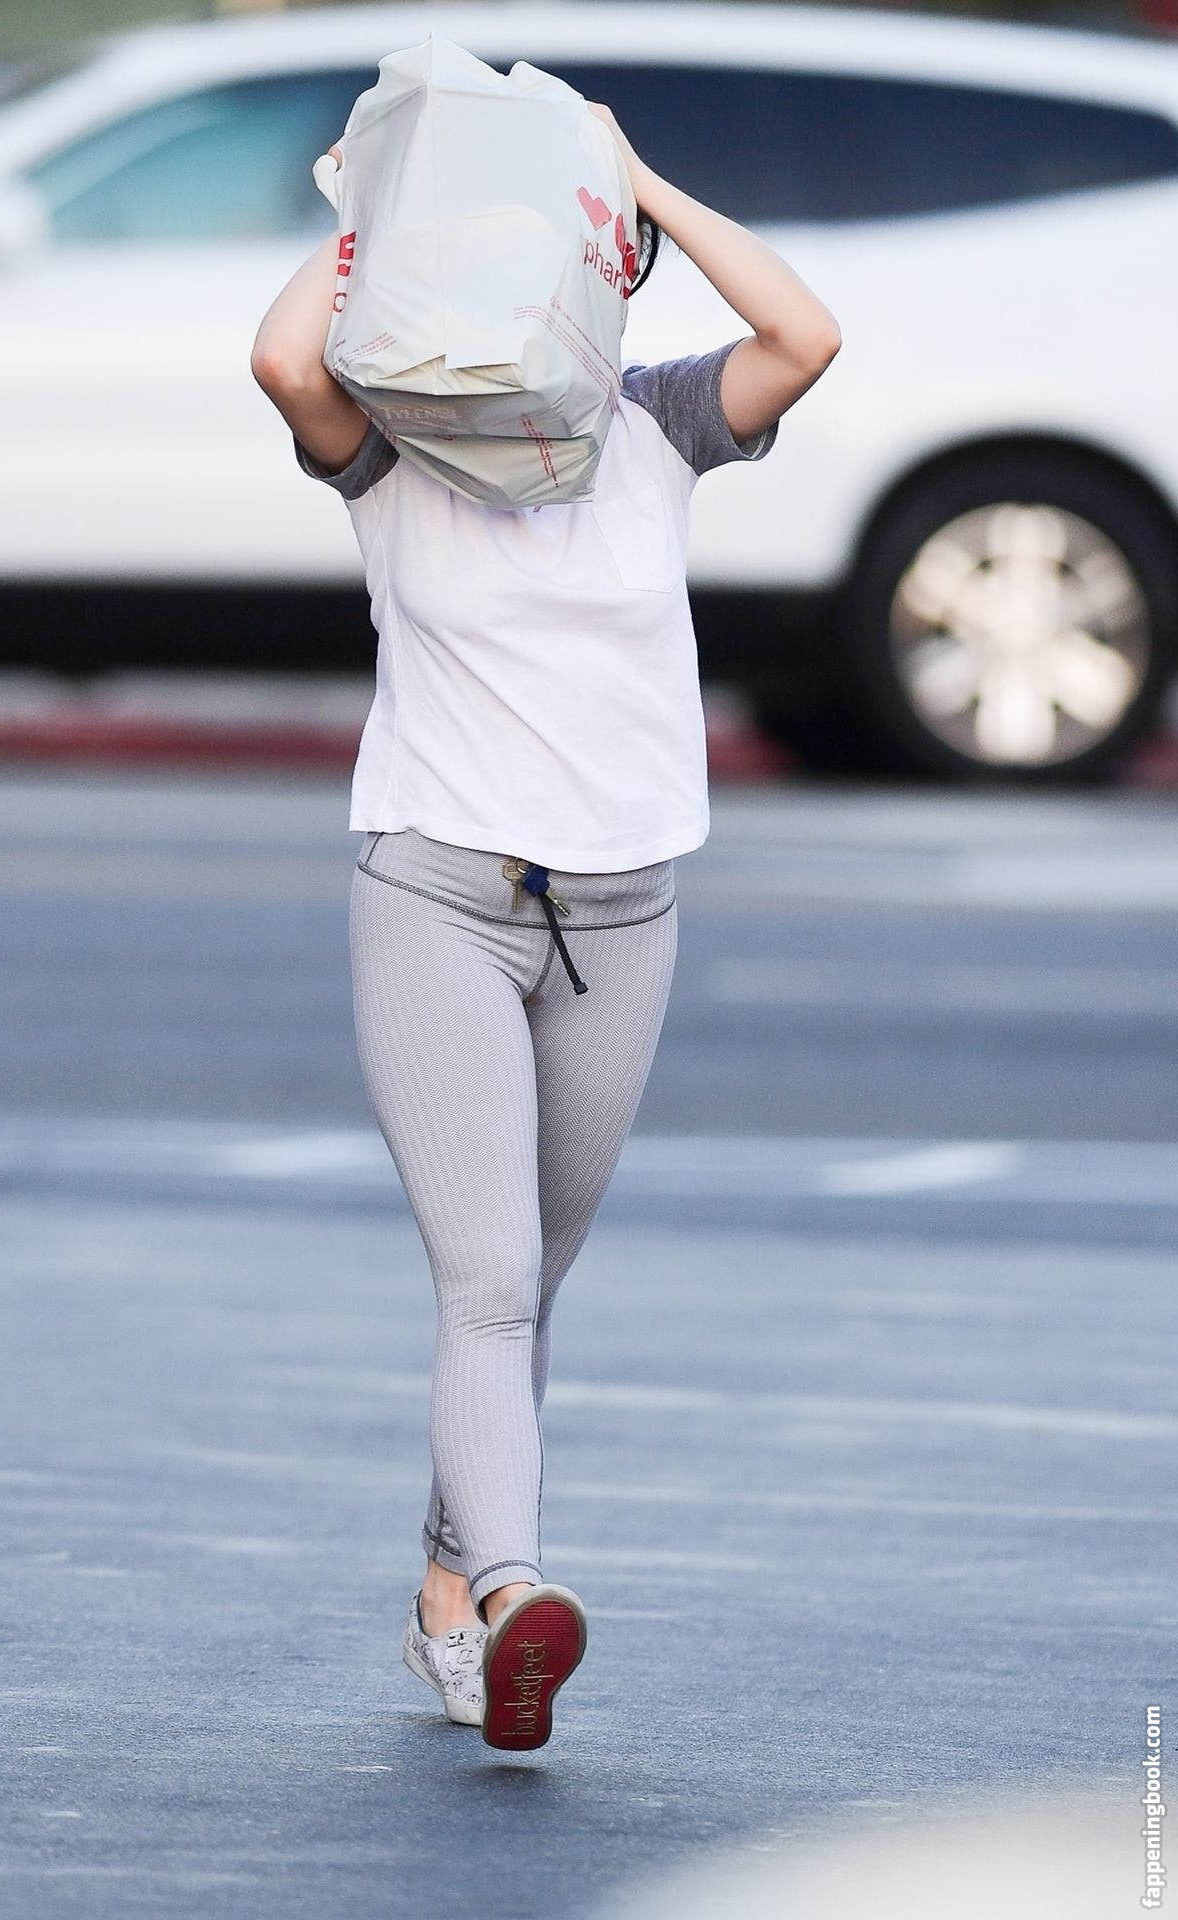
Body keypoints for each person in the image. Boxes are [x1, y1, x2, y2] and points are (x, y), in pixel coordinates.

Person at [250, 99, 841, 1752]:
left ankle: (449, 1595)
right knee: (492, 1280)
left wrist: (633, 178)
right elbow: (283, 360)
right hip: (439, 899)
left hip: (625, 912)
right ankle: (516, 1595)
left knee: (530, 1287)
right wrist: (377, 199)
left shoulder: (660, 423)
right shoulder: (391, 447)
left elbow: (806, 337)